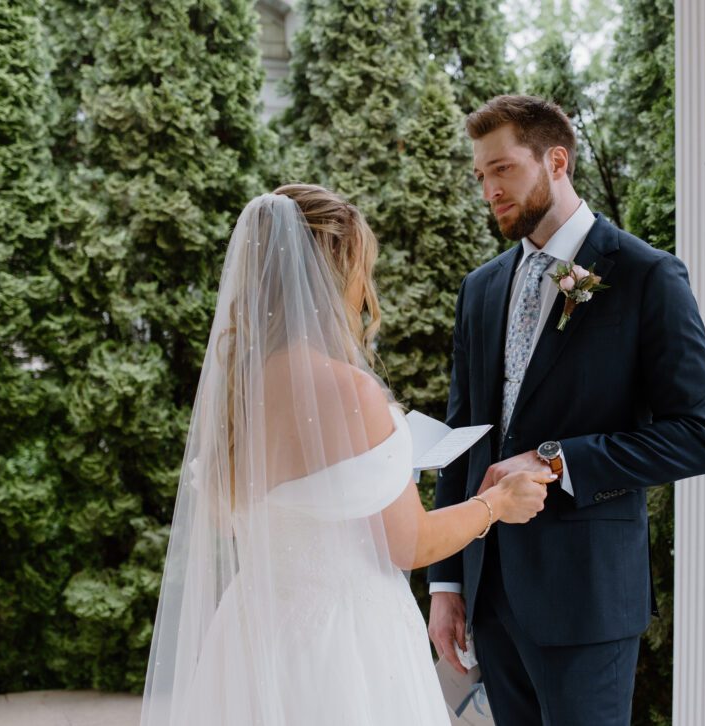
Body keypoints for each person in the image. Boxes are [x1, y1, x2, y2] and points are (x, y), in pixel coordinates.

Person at [139, 184, 555, 726]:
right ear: (335, 274)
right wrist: (497, 503)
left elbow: (229, 512)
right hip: (344, 643)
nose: (366, 287)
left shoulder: (238, 391)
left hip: (251, 633)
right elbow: (410, 543)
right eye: (362, 269)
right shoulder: (350, 391)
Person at [427, 95, 705, 726]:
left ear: (556, 161)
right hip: (489, 594)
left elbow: (699, 435)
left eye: (503, 169)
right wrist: (447, 583)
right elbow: (461, 437)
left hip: (587, 600)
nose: (489, 191)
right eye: (480, 175)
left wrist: (556, 460)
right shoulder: (480, 289)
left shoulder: (647, 276)